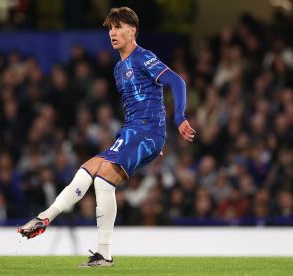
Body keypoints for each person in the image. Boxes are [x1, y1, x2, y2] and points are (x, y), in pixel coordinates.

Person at [17, 7, 195, 267]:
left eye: (118, 27)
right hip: (134, 132)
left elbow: (177, 82)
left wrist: (177, 120)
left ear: (132, 31)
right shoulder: (118, 69)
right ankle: (45, 218)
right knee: (88, 169)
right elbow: (137, 105)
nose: (112, 33)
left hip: (147, 131)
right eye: (110, 28)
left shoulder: (143, 57)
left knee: (103, 179)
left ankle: (104, 254)